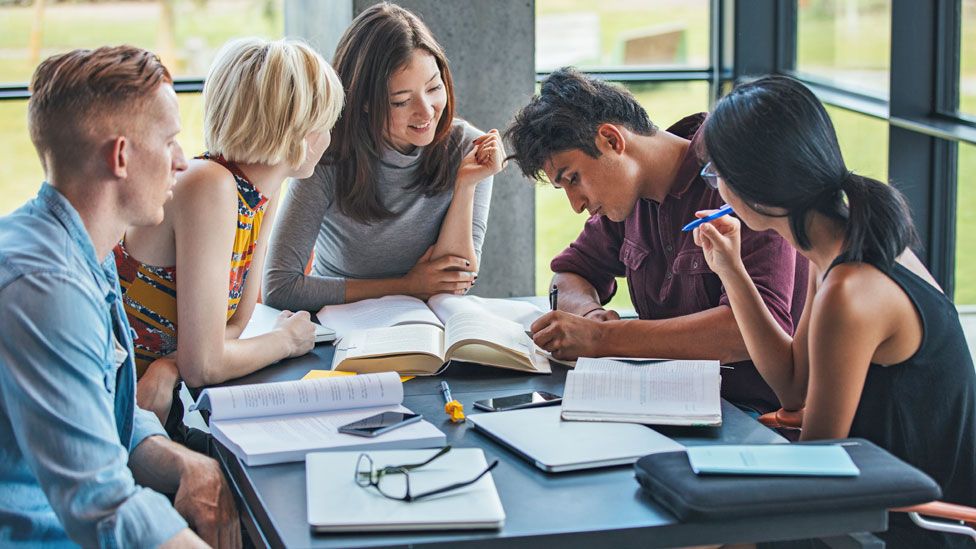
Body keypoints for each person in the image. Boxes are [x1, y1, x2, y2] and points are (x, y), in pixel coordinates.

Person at [693, 75, 975, 547]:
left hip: (914, 526)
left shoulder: (850, 290)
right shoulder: (838, 247)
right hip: (884, 498)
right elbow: (793, 387)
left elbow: (816, 465)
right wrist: (732, 272)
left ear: (754, 190)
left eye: (716, 175)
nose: (715, 188)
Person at [0, 46, 238, 548]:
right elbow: (102, 508)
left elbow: (101, 416)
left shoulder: (85, 246)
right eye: (170, 141)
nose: (181, 161)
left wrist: (184, 463)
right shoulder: (48, 287)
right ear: (121, 156)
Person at [506, 67, 807, 415]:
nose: (577, 205)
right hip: (661, 401)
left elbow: (747, 332)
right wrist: (590, 316)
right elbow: (571, 273)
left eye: (573, 179)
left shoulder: (734, 178)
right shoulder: (626, 202)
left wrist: (603, 340)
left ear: (611, 140)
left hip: (751, 416)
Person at [114, 38, 345, 446]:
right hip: (116, 409)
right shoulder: (211, 185)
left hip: (155, 401)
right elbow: (205, 364)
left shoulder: (260, 193)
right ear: (299, 130)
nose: (328, 134)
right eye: (325, 121)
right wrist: (286, 340)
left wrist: (171, 365)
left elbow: (235, 322)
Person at [263, 2, 503, 312]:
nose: (426, 111)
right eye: (401, 102)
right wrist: (407, 287)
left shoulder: (467, 147)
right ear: (364, 102)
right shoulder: (326, 154)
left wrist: (466, 186)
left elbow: (456, 278)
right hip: (340, 328)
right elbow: (279, 286)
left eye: (433, 87)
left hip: (426, 326)